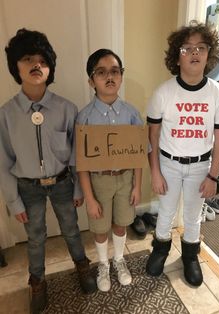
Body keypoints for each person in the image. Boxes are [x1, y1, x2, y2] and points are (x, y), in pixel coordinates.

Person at [0, 29, 96, 314]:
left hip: (63, 183)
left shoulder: (67, 109)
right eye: (28, 59)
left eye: (42, 60)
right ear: (15, 66)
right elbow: (3, 161)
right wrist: (13, 200)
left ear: (50, 66)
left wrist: (79, 186)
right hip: (27, 187)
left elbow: (77, 154)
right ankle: (37, 281)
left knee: (71, 229)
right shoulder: (6, 114)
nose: (36, 65)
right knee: (36, 236)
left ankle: (82, 266)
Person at [146, 21, 219, 287]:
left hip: (200, 167)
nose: (195, 53)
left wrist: (213, 176)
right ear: (177, 55)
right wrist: (156, 172)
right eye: (187, 48)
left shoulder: (218, 94)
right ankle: (160, 250)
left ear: (209, 54)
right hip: (168, 164)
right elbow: (153, 137)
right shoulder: (163, 92)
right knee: (166, 212)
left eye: (201, 48)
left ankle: (190, 256)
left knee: (193, 215)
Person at [77, 49, 143, 292]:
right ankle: (103, 263)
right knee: (100, 227)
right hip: (99, 182)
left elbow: (137, 154)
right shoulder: (84, 117)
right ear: (91, 80)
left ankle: (118, 259)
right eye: (101, 72)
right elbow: (81, 163)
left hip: (125, 180)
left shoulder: (132, 113)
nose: (109, 77)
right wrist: (90, 198)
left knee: (121, 223)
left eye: (115, 71)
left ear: (121, 76)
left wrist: (137, 185)